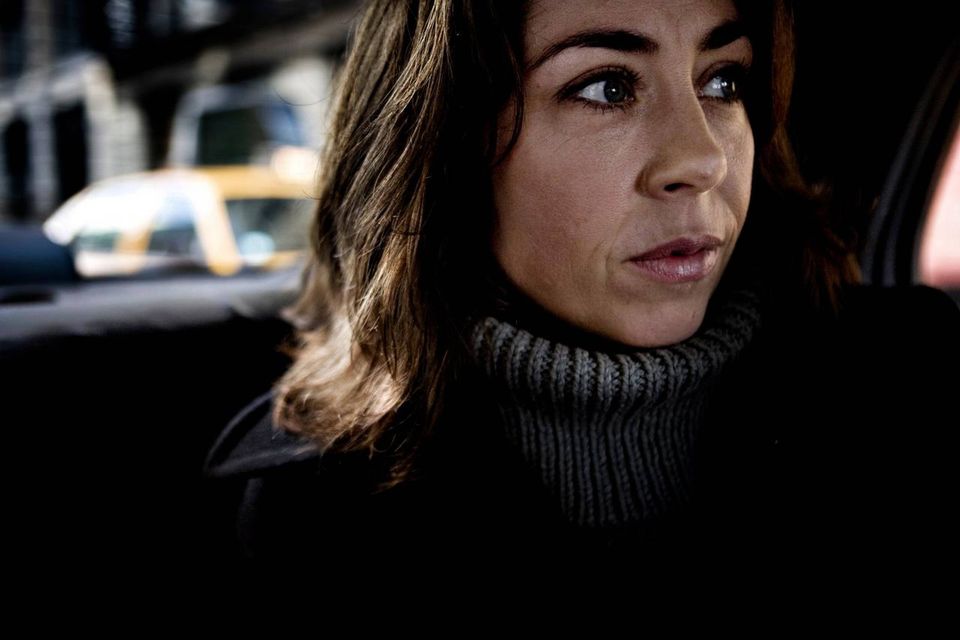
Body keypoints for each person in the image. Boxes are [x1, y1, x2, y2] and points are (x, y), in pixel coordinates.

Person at [202, 0, 959, 587]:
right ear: (444, 146)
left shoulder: (912, 393)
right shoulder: (314, 514)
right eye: (608, 87)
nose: (701, 159)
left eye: (723, 81)